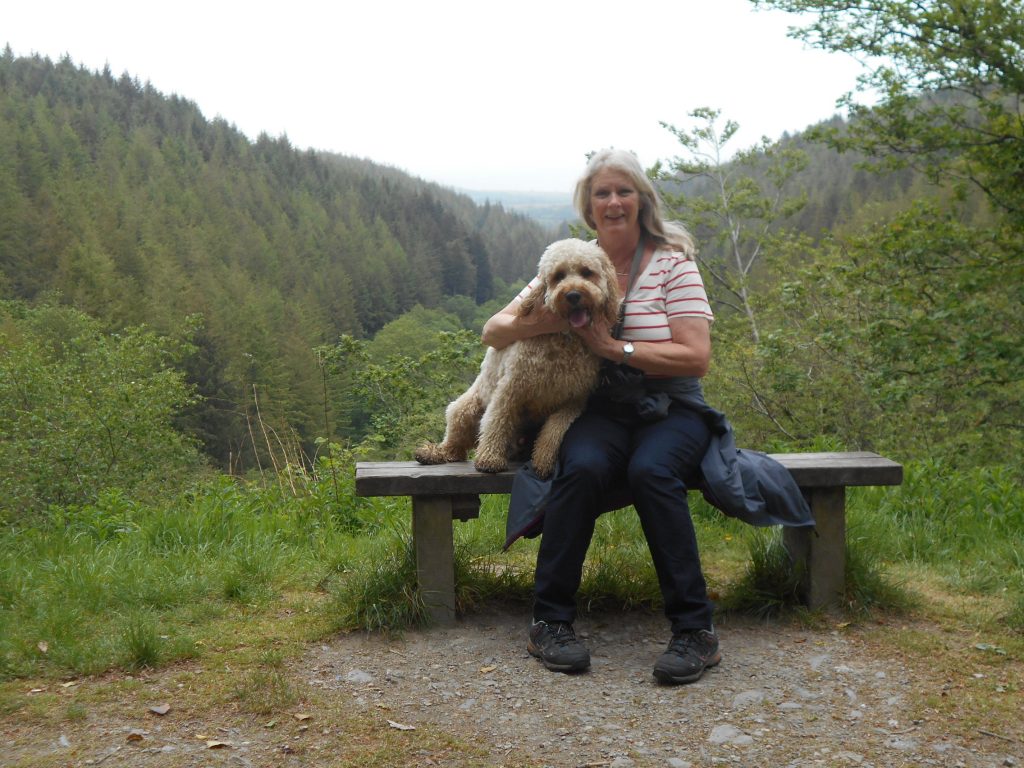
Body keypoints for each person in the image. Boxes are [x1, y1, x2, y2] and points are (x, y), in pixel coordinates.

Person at [481, 148, 721, 685]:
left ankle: (694, 631)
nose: (613, 202)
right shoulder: (571, 262)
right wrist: (559, 320)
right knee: (582, 466)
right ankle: (551, 622)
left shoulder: (673, 262)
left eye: (623, 191)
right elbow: (495, 330)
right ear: (589, 208)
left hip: (672, 408)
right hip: (603, 408)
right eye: (602, 194)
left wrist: (614, 348)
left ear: (641, 200)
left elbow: (697, 357)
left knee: (652, 472)